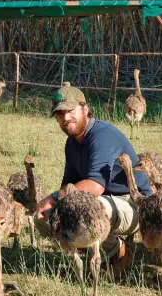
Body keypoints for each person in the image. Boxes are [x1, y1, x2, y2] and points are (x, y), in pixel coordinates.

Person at [34, 83, 152, 278]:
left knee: (87, 208)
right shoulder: (72, 143)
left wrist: (53, 199)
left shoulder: (102, 136)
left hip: (136, 204)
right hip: (105, 201)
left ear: (85, 109)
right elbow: (69, 186)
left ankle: (118, 250)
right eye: (60, 113)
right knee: (43, 216)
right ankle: (86, 250)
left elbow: (95, 187)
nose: (65, 117)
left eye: (70, 111)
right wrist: (50, 207)